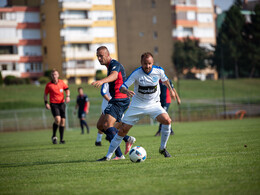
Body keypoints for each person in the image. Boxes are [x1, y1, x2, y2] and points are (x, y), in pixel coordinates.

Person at [97, 52, 176, 161]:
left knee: (167, 120)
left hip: (154, 104)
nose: (147, 66)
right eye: (145, 64)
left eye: (149, 64)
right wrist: (126, 91)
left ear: (152, 63)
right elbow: (122, 87)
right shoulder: (136, 73)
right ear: (141, 63)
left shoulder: (159, 71)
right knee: (122, 130)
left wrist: (171, 91)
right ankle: (108, 156)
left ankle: (163, 148)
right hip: (137, 106)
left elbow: (165, 80)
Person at [92, 46, 136, 160]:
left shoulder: (114, 64)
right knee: (100, 126)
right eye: (98, 56)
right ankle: (126, 139)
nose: (99, 58)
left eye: (101, 56)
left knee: (107, 125)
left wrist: (102, 81)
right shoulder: (109, 66)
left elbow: (115, 75)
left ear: (108, 55)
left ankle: (119, 154)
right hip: (115, 99)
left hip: (120, 99)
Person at [44, 69, 70, 144]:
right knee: (57, 119)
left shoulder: (62, 82)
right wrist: (46, 103)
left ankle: (61, 139)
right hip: (53, 104)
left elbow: (67, 89)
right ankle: (54, 136)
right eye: (53, 75)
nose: (54, 76)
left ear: (58, 75)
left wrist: (67, 96)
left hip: (62, 103)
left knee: (62, 122)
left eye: (55, 74)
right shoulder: (49, 85)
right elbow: (45, 94)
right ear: (51, 76)